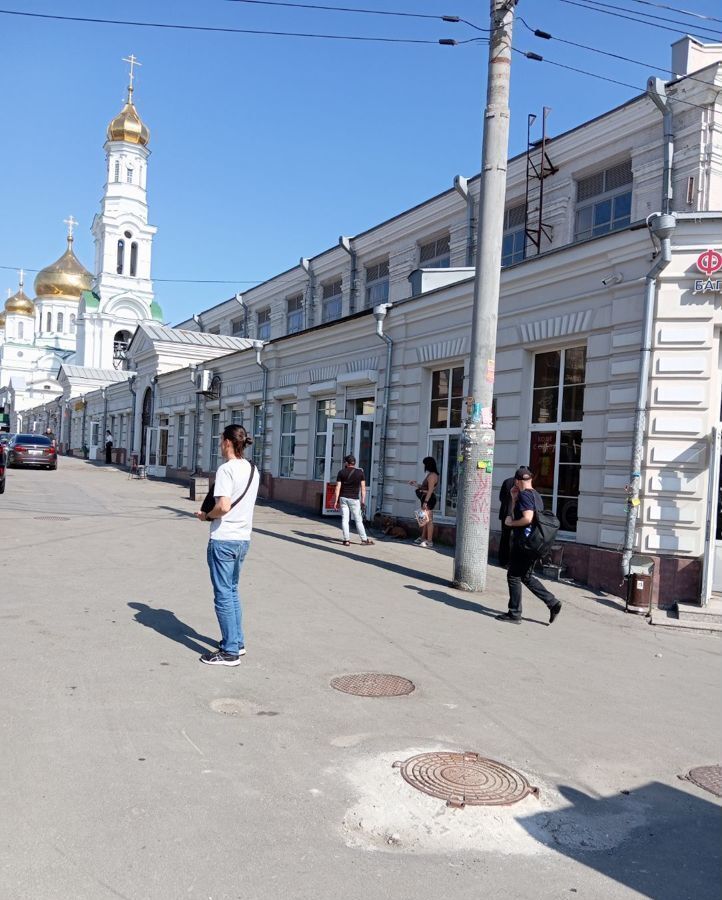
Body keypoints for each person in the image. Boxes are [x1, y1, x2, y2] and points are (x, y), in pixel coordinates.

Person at [194, 424, 260, 666]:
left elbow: (223, 506)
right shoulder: (253, 469)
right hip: (243, 538)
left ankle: (230, 651)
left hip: (224, 539)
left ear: (228, 442)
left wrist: (206, 516)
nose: (220, 444)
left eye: (221, 440)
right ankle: (237, 642)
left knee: (223, 594)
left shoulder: (226, 470)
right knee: (231, 591)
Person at [496, 466, 562, 626]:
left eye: (516, 482)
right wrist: (513, 498)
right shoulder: (536, 495)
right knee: (526, 576)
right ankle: (552, 602)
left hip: (524, 543)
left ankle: (514, 613)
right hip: (535, 543)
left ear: (517, 481)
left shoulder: (525, 495)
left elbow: (527, 518)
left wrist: (512, 522)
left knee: (513, 576)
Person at [333, 454, 374, 547]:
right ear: (354, 463)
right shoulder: (360, 473)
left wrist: (336, 501)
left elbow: (337, 488)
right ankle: (364, 539)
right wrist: (363, 501)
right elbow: (363, 488)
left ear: (347, 463)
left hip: (343, 498)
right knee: (358, 520)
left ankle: (346, 540)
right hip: (354, 499)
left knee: (345, 519)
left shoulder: (341, 472)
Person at [409, 456, 439, 548]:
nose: (424, 466)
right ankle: (423, 538)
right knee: (425, 520)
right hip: (426, 498)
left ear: (428, 465)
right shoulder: (431, 474)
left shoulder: (432, 476)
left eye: (425, 464)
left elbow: (430, 490)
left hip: (428, 499)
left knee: (429, 520)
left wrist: (425, 502)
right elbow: (424, 487)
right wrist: (415, 485)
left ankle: (429, 541)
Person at [497, 473, 517, 568]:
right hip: (515, 515)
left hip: (505, 513)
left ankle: (502, 561)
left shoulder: (507, 481)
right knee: (517, 539)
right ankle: (513, 562)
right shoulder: (520, 483)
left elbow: (501, 497)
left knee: (505, 538)